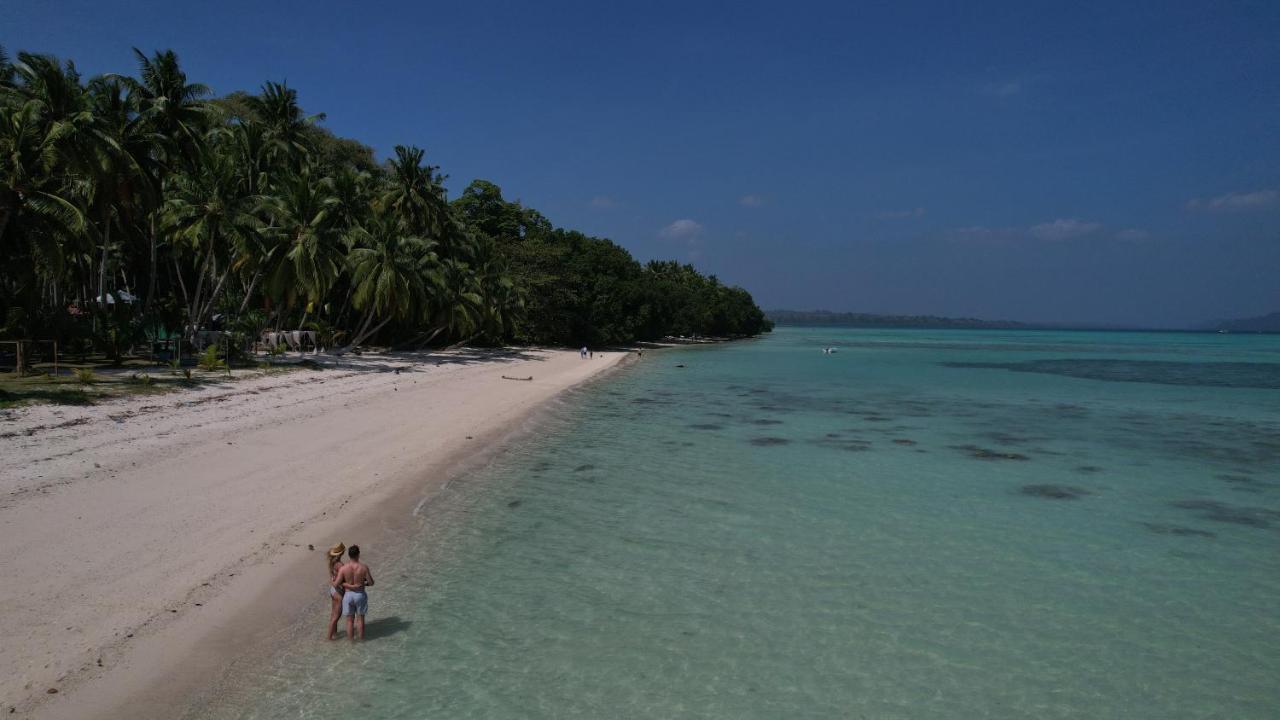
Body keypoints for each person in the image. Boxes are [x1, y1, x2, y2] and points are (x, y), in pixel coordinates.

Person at [334, 544, 375, 641]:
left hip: (348, 595)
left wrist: (347, 585)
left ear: (349, 555)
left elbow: (336, 584)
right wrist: (362, 584)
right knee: (360, 620)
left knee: (349, 621)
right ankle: (361, 640)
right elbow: (371, 582)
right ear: (358, 554)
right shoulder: (363, 567)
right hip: (360, 595)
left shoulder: (343, 569)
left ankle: (350, 642)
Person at [325, 543, 346, 640]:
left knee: (333, 615)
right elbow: (343, 580)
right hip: (338, 592)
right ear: (342, 553)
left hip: (333, 590)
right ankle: (329, 639)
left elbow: (333, 578)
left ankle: (334, 634)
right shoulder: (340, 565)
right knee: (336, 617)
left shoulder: (332, 563)